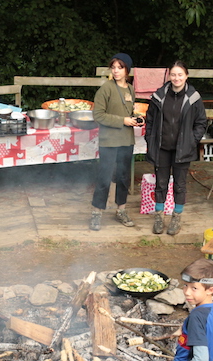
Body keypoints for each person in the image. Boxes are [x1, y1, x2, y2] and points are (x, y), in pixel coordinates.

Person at [144, 60, 207, 236]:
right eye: (173, 74)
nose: (176, 78)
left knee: (179, 185)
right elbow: (150, 120)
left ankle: (176, 217)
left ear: (186, 75)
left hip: (183, 149)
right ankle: (159, 217)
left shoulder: (194, 98)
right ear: (168, 76)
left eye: (180, 74)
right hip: (161, 147)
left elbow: (201, 123)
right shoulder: (159, 96)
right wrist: (150, 139)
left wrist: (191, 141)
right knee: (161, 183)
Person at [90, 53, 138, 231]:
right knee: (104, 178)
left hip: (127, 140)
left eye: (120, 67)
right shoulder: (106, 89)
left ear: (127, 70)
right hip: (109, 141)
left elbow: (129, 112)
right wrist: (122, 121)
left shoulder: (131, 90)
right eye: (114, 67)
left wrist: (135, 119)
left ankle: (121, 210)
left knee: (124, 177)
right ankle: (96, 213)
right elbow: (98, 115)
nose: (116, 71)